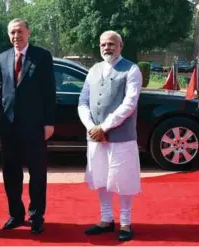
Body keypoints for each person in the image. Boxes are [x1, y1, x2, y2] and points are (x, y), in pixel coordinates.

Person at [0, 18, 56, 234]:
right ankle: (15, 215)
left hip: (35, 126)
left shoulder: (42, 56)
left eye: (19, 31)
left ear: (28, 32)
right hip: (8, 127)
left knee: (37, 173)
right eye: (12, 32)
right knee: (11, 173)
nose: (16, 36)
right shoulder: (3, 57)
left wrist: (49, 122)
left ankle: (36, 215)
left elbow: (49, 91)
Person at [78, 30, 142, 241]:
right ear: (99, 47)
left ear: (121, 46)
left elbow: (129, 104)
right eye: (104, 44)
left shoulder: (131, 70)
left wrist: (104, 127)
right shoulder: (94, 70)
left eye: (112, 44)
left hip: (121, 137)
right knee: (101, 178)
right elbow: (83, 102)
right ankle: (106, 219)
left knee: (122, 180)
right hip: (95, 137)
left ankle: (125, 222)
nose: (107, 48)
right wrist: (91, 127)